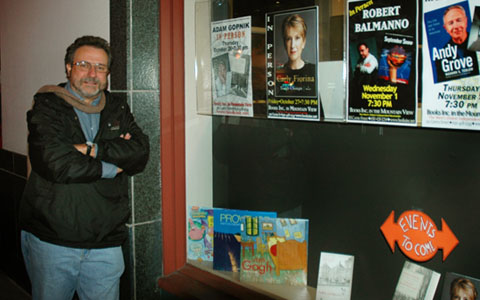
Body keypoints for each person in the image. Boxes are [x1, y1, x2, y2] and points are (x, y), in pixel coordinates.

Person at [19, 35, 150, 300]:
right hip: (53, 240)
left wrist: (93, 149)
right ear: (68, 67)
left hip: (106, 240)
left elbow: (139, 153)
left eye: (100, 67)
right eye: (83, 64)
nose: (92, 74)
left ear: (108, 74)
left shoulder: (116, 107)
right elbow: (55, 163)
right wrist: (113, 167)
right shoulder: (47, 105)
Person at [275, 14, 316, 97]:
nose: (293, 45)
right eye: (288, 39)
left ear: (303, 42)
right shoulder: (278, 73)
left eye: (297, 38)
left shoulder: (313, 71)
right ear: (284, 43)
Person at [435, 5, 479, 82]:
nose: (455, 26)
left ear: (466, 21)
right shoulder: (441, 56)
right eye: (451, 23)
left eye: (459, 20)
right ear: (446, 28)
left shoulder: (477, 43)